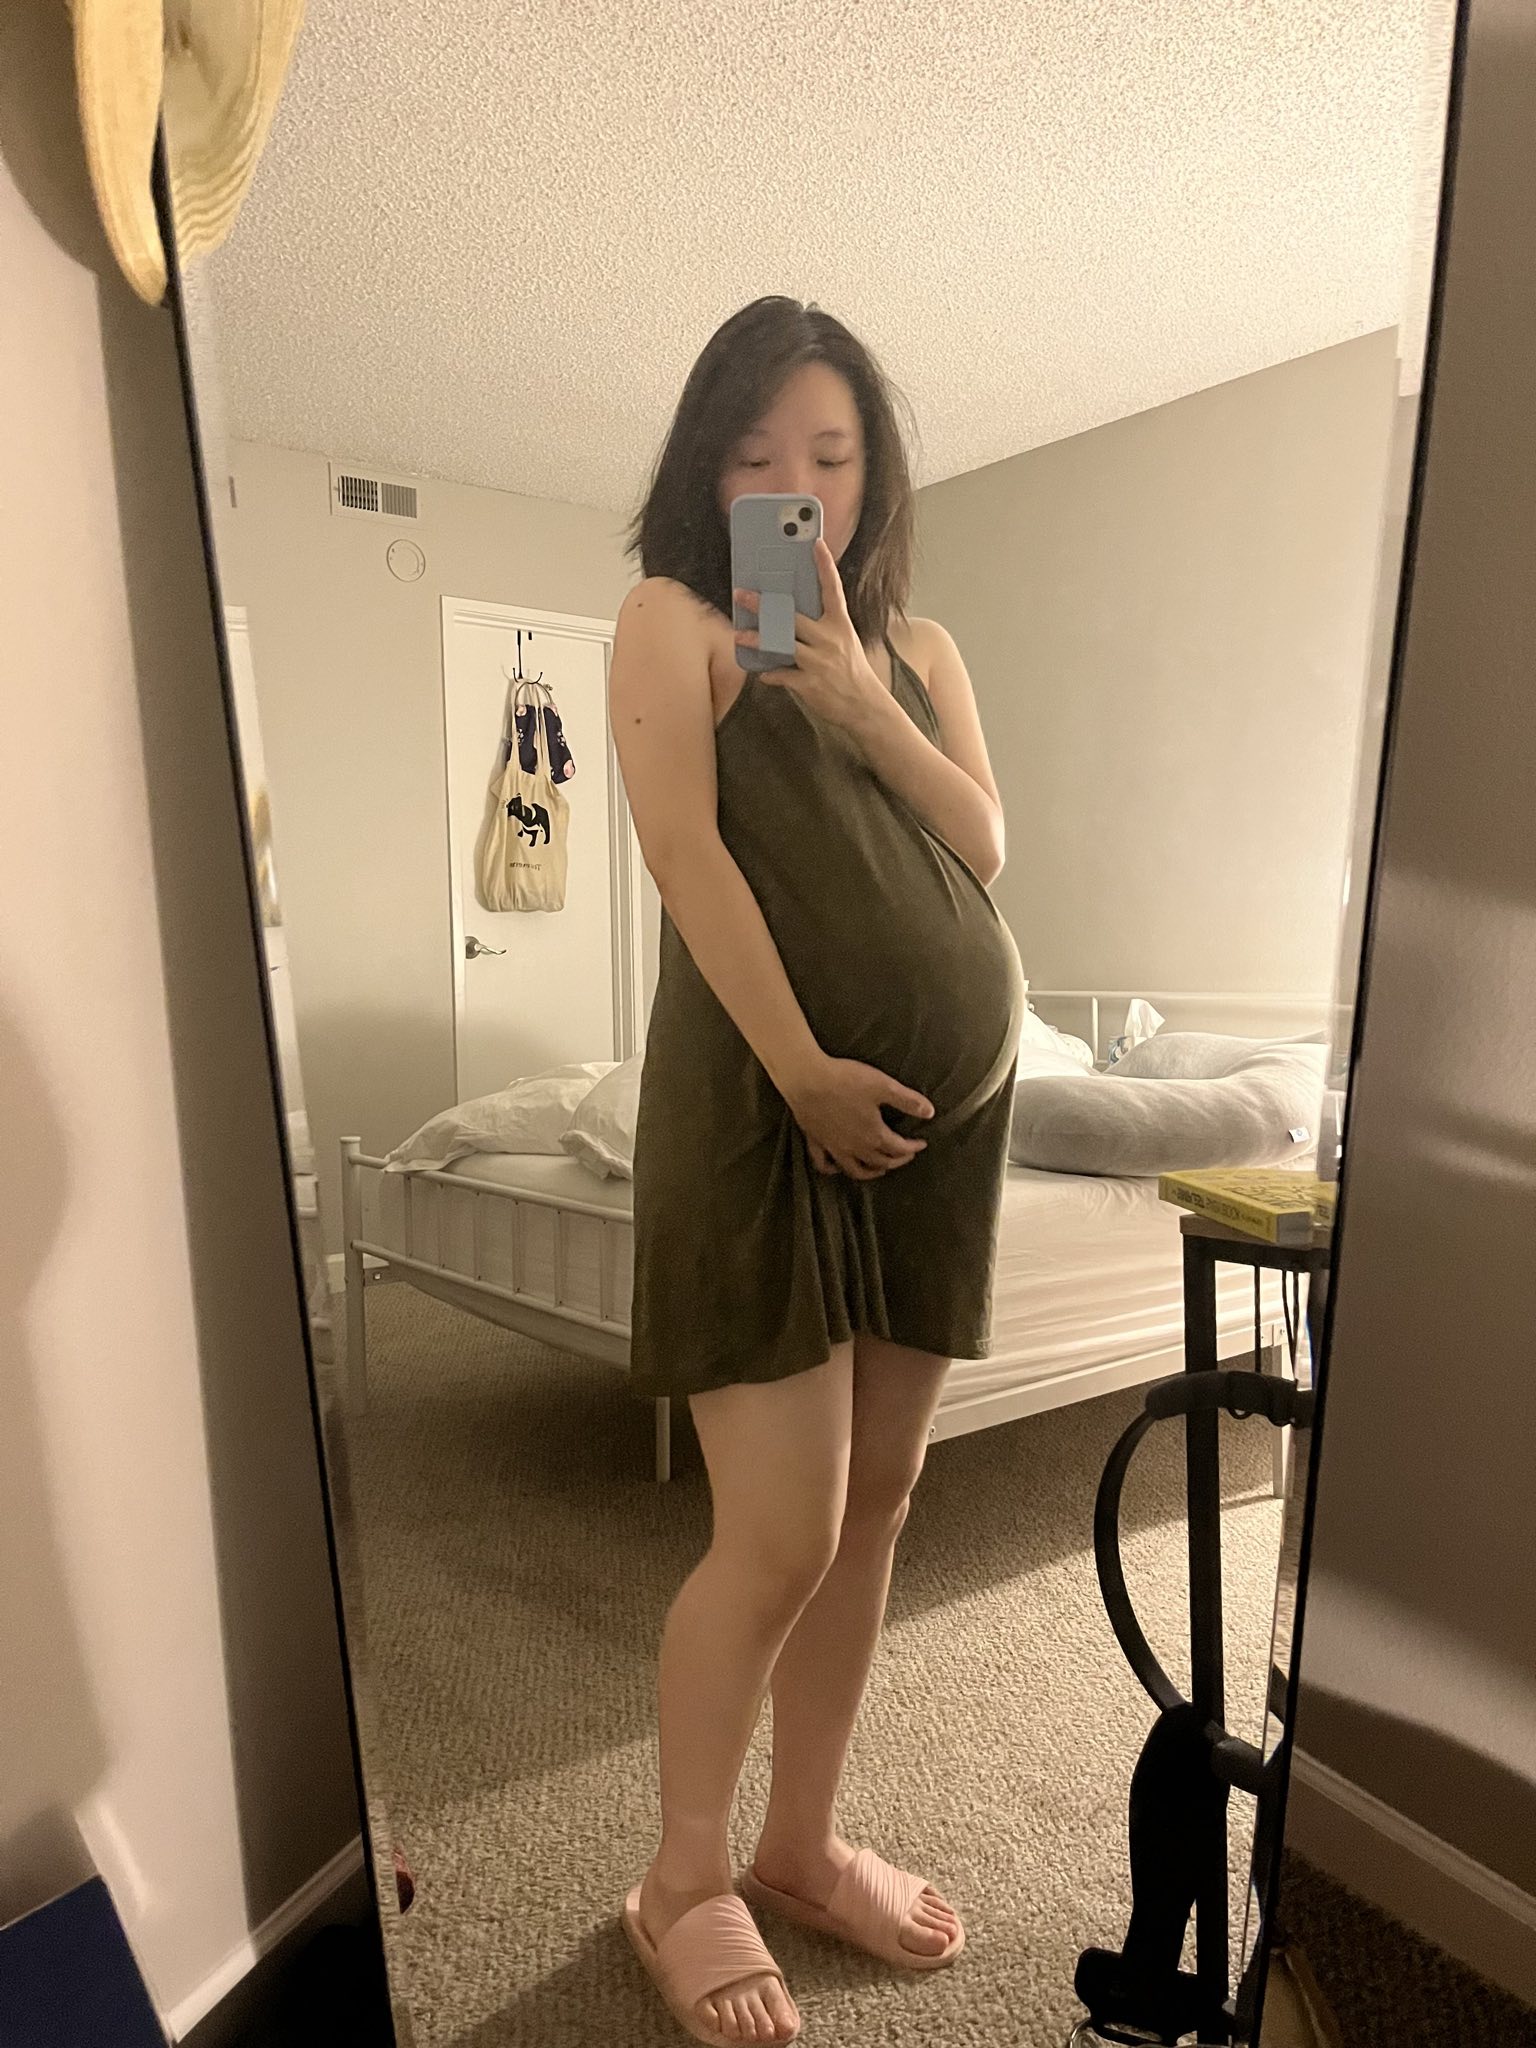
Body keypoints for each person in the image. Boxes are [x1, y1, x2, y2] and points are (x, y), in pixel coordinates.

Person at [609, 296, 1024, 2045]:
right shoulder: (672, 619)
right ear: (707, 471)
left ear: (876, 474)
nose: (798, 486)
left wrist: (858, 695)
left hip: (937, 1145)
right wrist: (801, 1072)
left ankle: (798, 1844)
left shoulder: (920, 650)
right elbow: (685, 861)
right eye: (758, 454)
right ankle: (680, 1878)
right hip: (765, 1115)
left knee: (878, 1507)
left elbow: (983, 842)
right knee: (778, 1533)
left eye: (832, 456)